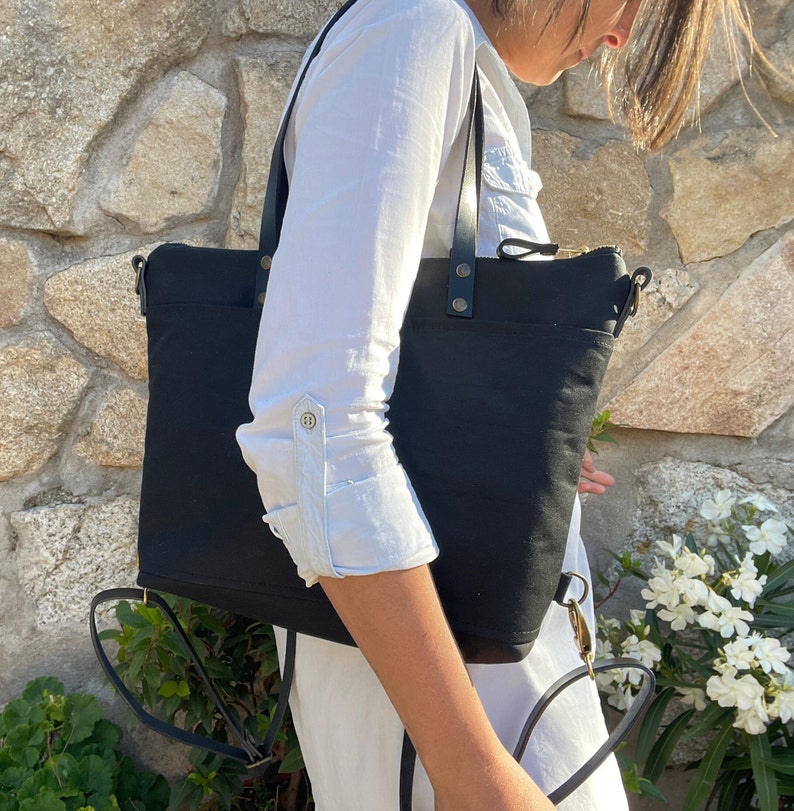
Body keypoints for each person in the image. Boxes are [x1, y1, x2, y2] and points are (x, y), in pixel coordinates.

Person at [236, 0, 755, 807]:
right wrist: (472, 770)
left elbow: (391, 360)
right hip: (458, 720)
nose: (620, 33)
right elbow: (313, 422)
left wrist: (504, 429)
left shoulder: (439, 46)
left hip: (470, 689)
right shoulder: (412, 31)